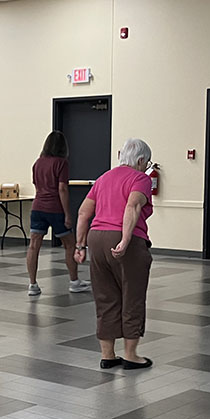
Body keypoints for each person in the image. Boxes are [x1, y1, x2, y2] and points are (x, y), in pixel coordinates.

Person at [74, 138, 155, 371]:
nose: (147, 167)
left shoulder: (103, 178)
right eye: (147, 163)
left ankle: (108, 355)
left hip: (96, 238)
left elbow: (83, 212)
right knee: (133, 295)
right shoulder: (140, 178)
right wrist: (125, 240)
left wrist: (80, 246)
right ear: (140, 160)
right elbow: (133, 207)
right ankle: (131, 355)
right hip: (124, 239)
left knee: (105, 296)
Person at [27, 131, 89, 296]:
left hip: (37, 207)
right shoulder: (62, 163)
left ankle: (32, 284)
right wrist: (68, 214)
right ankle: (74, 281)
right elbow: (62, 188)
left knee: (34, 246)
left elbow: (37, 185)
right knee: (69, 244)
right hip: (55, 209)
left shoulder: (37, 163)